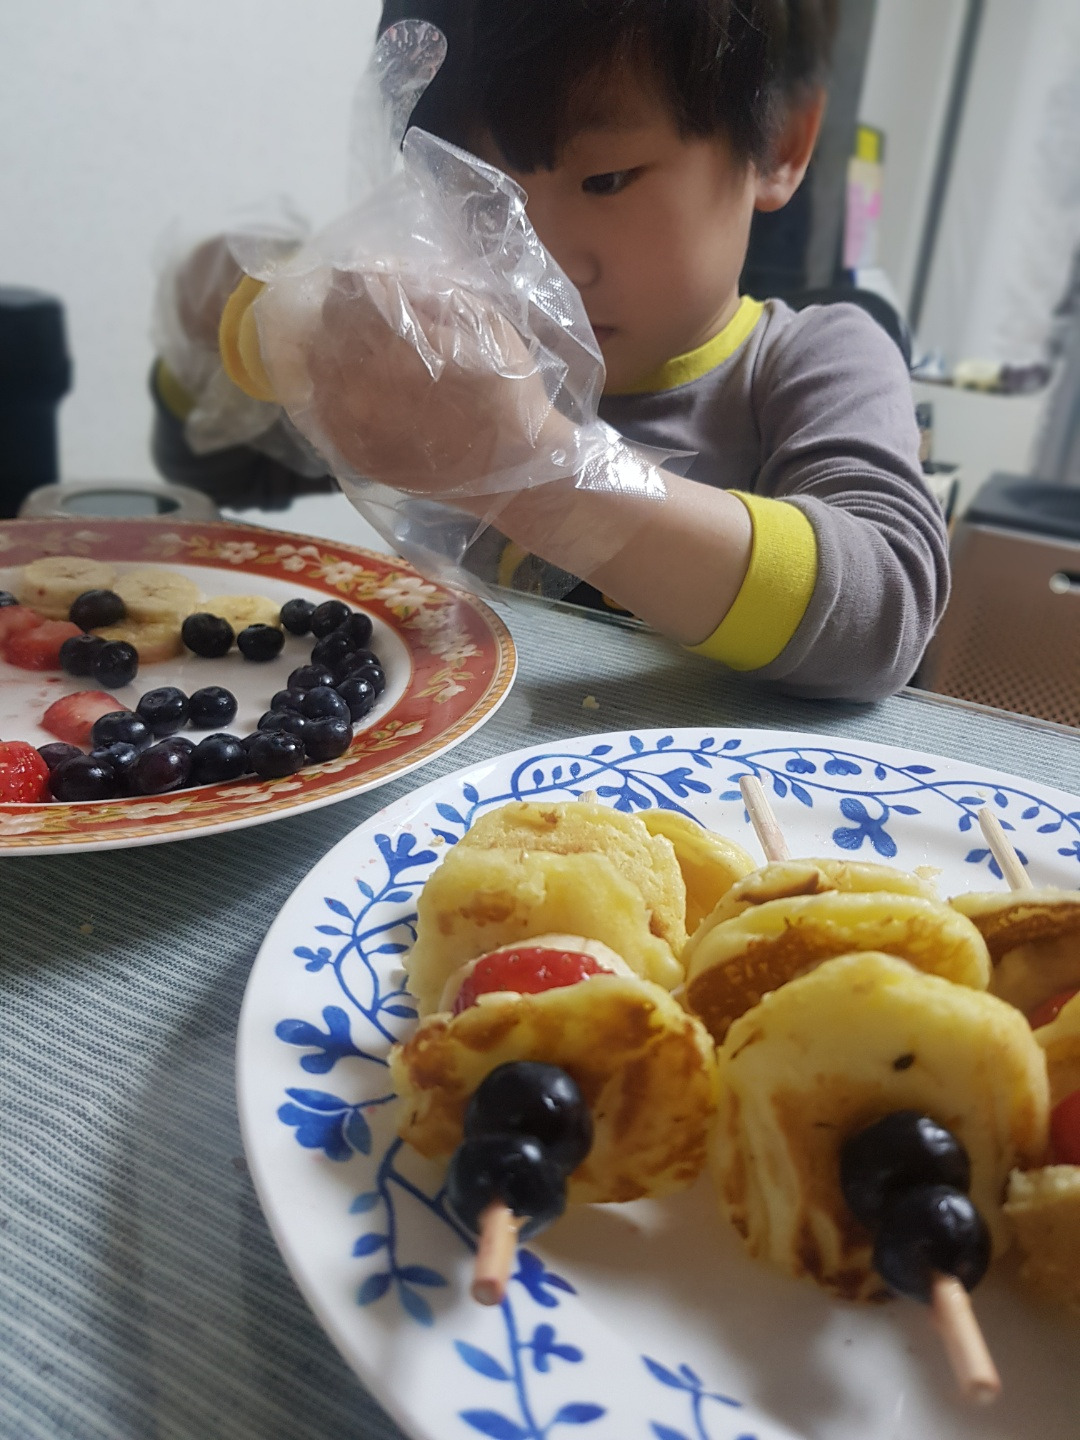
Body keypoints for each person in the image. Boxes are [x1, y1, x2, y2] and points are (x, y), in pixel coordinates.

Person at [152, 0, 949, 703]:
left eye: (606, 181)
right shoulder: (454, 359)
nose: (539, 260)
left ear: (777, 143)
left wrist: (535, 464)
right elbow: (226, 472)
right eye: (475, 198)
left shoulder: (814, 359)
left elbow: (882, 617)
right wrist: (210, 349)